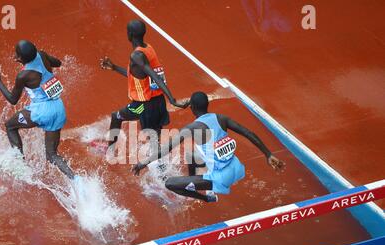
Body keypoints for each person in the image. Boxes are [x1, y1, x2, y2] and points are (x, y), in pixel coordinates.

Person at [132, 92, 284, 202]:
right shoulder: (221, 118)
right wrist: (268, 154)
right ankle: (195, 183)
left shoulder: (192, 128)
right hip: (236, 168)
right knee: (191, 156)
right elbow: (248, 133)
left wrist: (142, 164)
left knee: (170, 183)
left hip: (221, 178)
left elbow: (165, 149)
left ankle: (206, 198)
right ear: (207, 105)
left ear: (191, 107)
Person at [0, 40, 75, 179]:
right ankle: (76, 179)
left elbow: (13, 100)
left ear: (18, 59)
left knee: (10, 126)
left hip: (42, 111)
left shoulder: (24, 75)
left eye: (16, 53)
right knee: (52, 155)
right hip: (58, 108)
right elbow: (57, 63)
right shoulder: (42, 55)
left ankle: (20, 167)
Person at [100, 19, 188, 148]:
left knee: (116, 116)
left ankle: (110, 151)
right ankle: (161, 164)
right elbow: (138, 76)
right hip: (158, 102)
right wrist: (114, 67)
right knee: (155, 136)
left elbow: (155, 76)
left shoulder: (136, 56)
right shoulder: (148, 48)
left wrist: (172, 100)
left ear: (129, 34)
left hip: (144, 105)